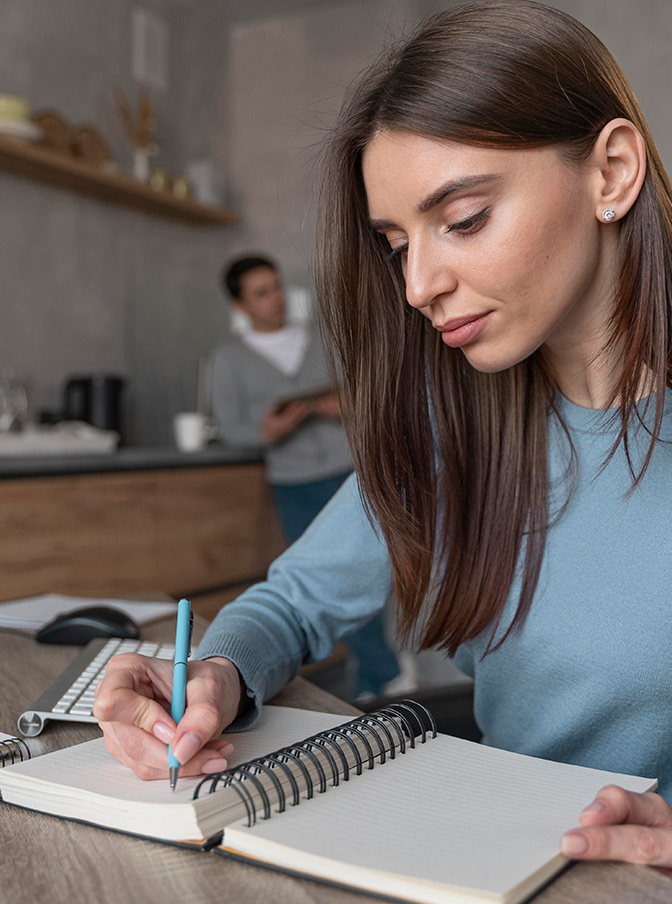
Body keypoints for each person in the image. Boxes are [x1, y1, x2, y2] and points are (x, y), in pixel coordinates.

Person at [95, 0, 672, 868]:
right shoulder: (457, 433)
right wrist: (215, 678)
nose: (418, 285)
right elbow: (289, 604)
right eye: (396, 242)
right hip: (503, 869)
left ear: (613, 172)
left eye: (465, 219)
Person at [209, 254, 401, 699]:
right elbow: (231, 428)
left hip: (348, 469)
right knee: (324, 582)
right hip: (293, 483)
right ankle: (385, 674)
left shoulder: (323, 339)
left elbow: (370, 395)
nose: (275, 299)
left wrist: (343, 407)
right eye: (261, 293)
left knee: (374, 574)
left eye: (276, 287)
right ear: (239, 306)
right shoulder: (228, 359)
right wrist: (266, 432)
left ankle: (374, 680)